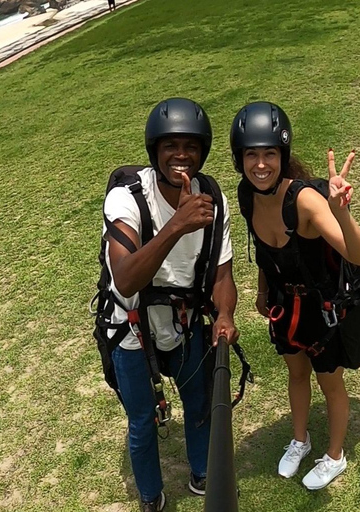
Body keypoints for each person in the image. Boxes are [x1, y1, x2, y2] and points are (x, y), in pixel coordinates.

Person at [103, 98, 238, 511]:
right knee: (142, 420)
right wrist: (176, 225)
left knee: (198, 406)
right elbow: (125, 278)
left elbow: (222, 274)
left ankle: (202, 471)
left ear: (203, 150)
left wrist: (226, 313)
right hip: (131, 326)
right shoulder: (126, 198)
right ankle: (150, 495)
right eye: (171, 146)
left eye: (191, 146)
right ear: (154, 151)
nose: (182, 155)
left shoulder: (211, 197)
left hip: (183, 322)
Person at [231, 102, 360, 489]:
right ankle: (300, 439)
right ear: (239, 158)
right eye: (251, 155)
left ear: (283, 155)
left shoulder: (306, 200)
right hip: (283, 305)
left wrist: (341, 209)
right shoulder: (248, 196)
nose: (261, 164)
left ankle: (336, 455)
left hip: (319, 309)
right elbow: (264, 250)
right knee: (296, 374)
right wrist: (262, 290)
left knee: (330, 383)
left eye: (270, 154)